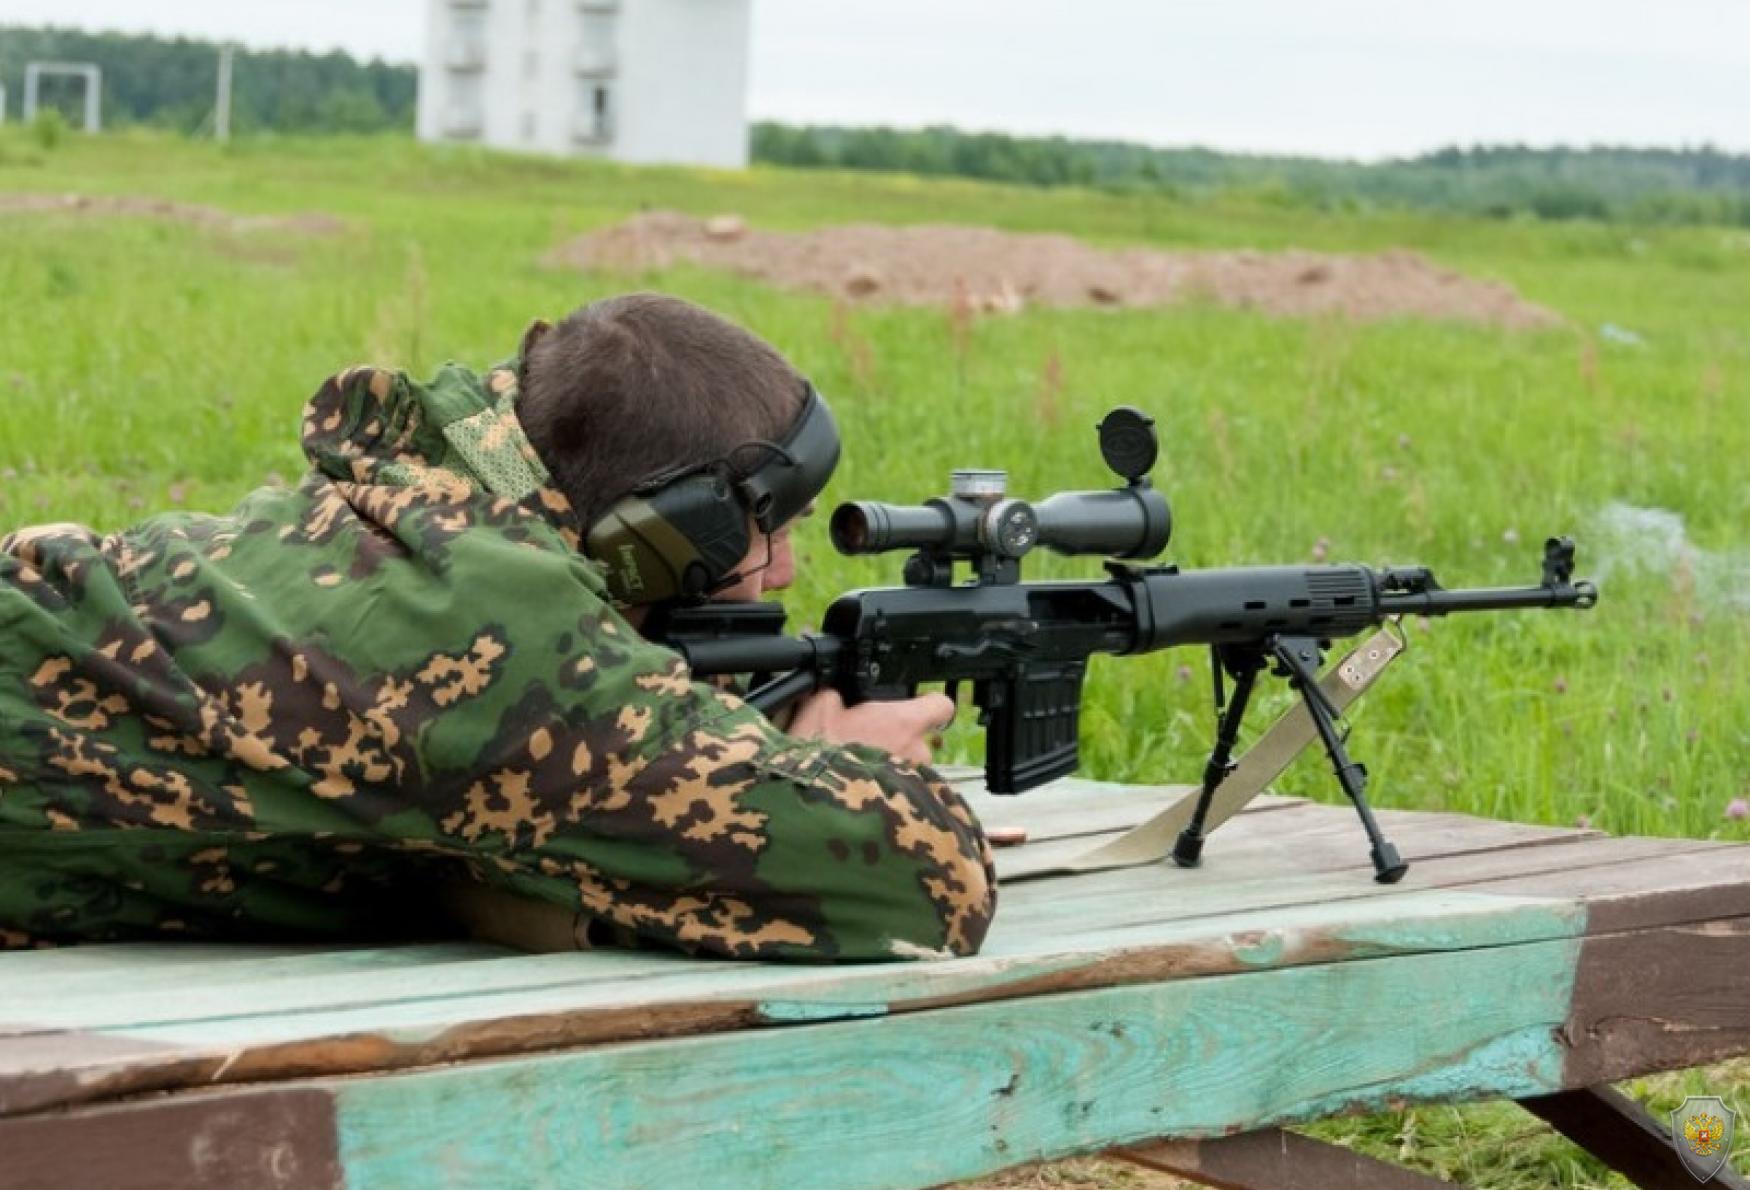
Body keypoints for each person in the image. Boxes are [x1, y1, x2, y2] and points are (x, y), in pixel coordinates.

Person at [0, 293, 996, 961]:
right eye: (764, 529)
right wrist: (856, 759)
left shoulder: (434, 499)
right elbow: (921, 881)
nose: (781, 567)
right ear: (659, 534)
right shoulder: (503, 632)